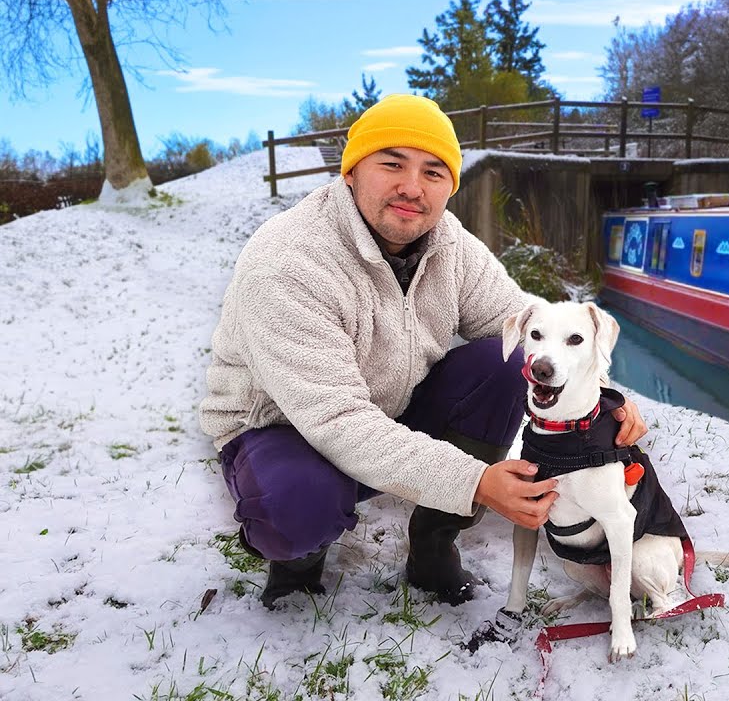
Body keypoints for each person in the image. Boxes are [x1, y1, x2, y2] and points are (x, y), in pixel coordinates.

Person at [199, 94, 647, 609]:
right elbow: (337, 420)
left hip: (391, 407)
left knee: (505, 357)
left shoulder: (448, 242)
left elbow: (532, 327)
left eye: (434, 172)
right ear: (351, 172)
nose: (412, 187)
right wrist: (476, 481)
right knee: (296, 503)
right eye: (392, 163)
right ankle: (298, 561)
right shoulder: (288, 263)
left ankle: (433, 544)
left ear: (449, 188)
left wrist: (606, 403)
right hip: (283, 428)